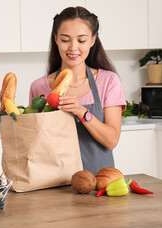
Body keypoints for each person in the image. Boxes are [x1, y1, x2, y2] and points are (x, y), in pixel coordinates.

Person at [29, 6, 126, 175]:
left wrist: (82, 112)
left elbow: (111, 140)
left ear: (93, 40)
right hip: (53, 183)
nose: (73, 48)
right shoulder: (39, 87)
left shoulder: (108, 81)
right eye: (65, 40)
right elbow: (34, 144)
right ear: (56, 39)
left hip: (99, 182)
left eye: (81, 40)